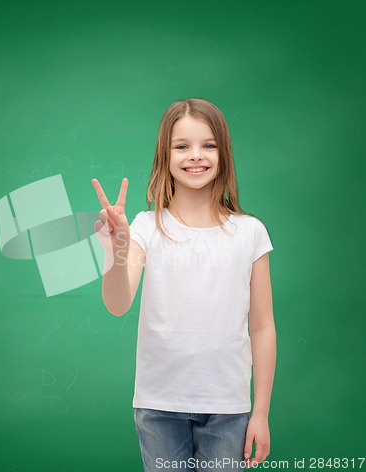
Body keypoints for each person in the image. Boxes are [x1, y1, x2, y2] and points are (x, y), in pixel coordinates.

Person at [91, 97, 276, 471]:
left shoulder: (250, 232)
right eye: (182, 146)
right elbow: (118, 303)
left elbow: (262, 326)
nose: (196, 156)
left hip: (229, 408)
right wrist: (118, 252)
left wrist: (261, 413)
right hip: (158, 406)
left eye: (208, 145)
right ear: (166, 155)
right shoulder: (144, 226)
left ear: (223, 153)